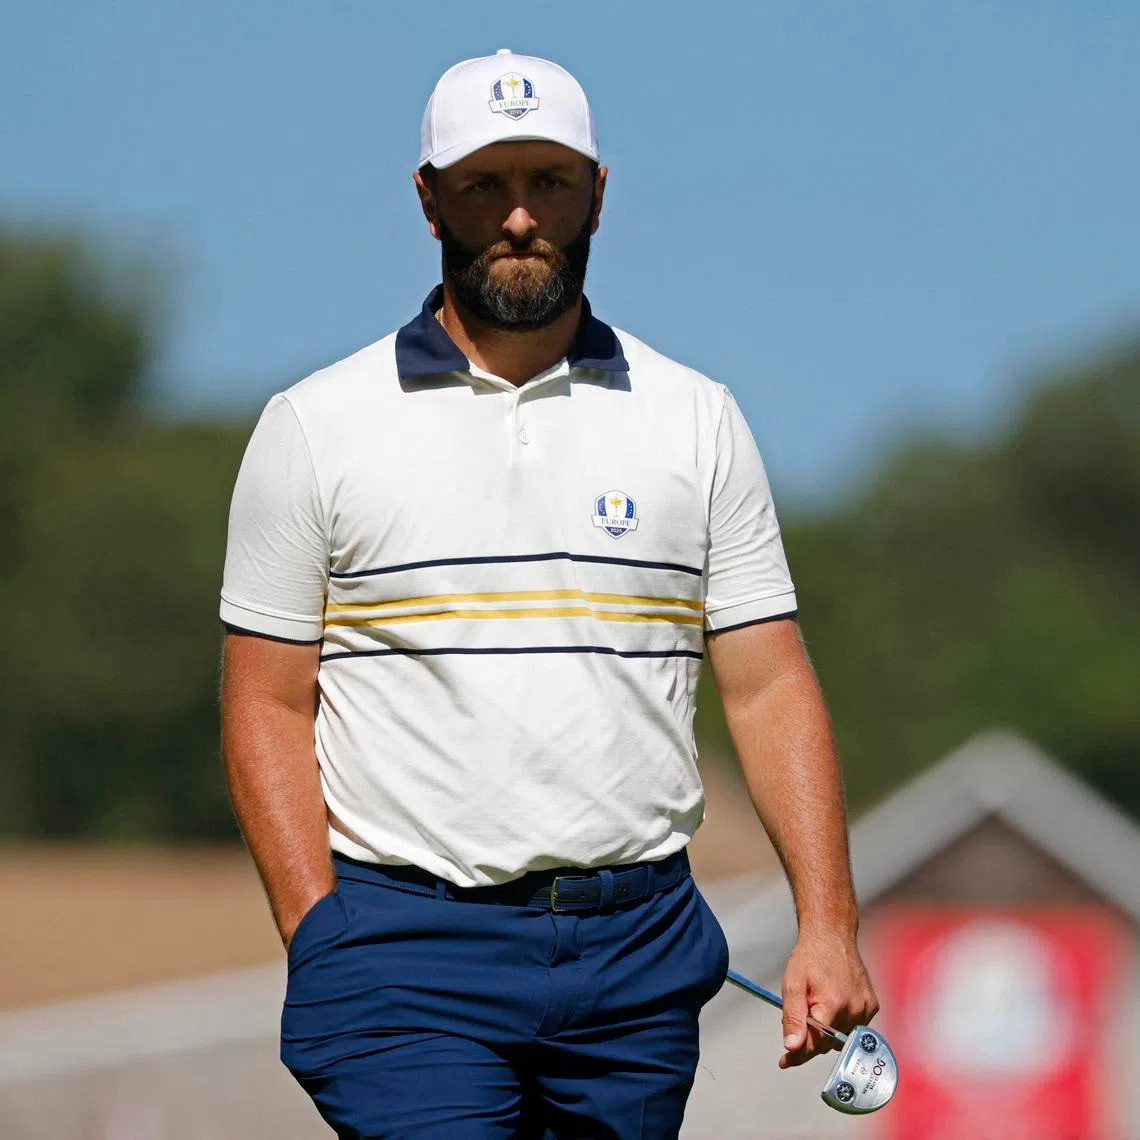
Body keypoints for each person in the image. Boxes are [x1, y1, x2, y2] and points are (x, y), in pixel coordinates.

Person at [220, 47, 877, 1139]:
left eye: (550, 182)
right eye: (484, 184)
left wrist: (829, 923)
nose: (520, 216)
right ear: (428, 200)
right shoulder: (314, 426)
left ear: (598, 197)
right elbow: (265, 702)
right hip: (403, 950)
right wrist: (317, 933)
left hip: (640, 952)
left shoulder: (697, 418)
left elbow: (767, 688)